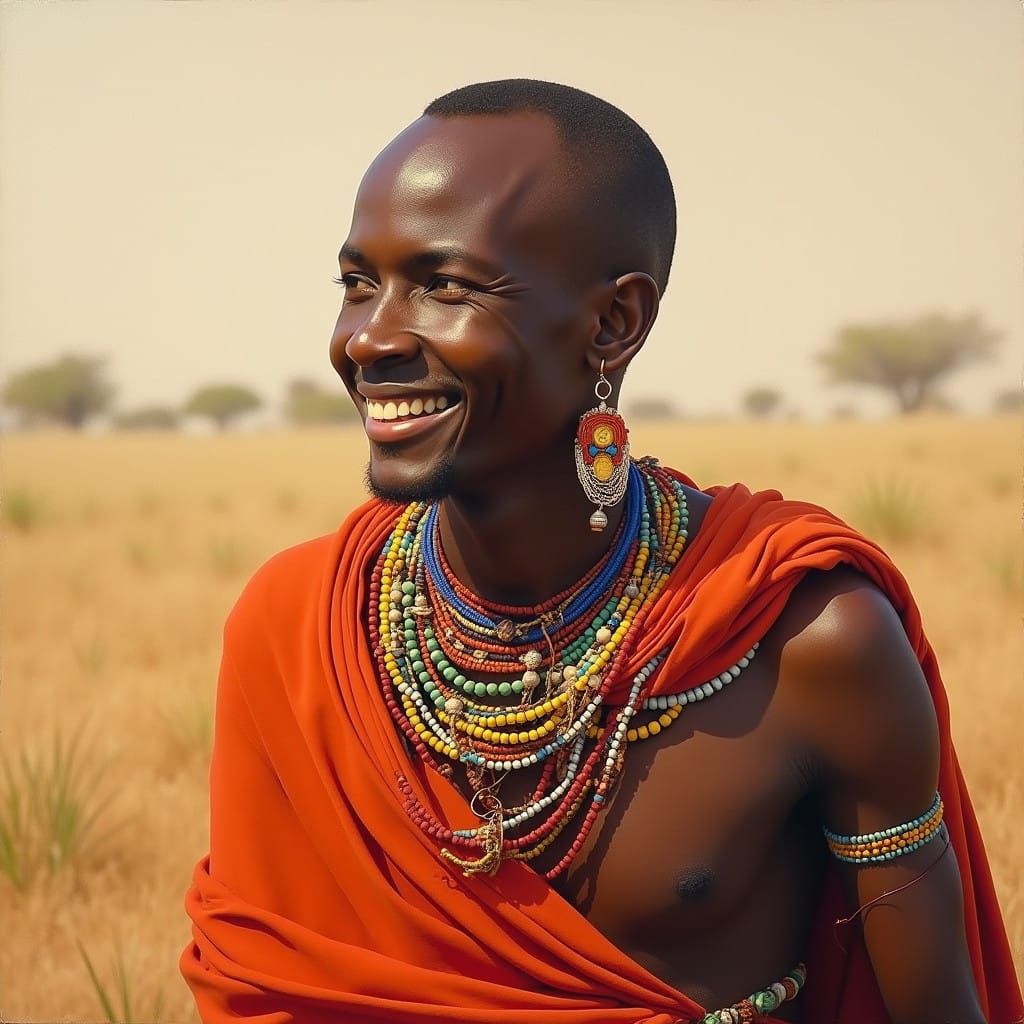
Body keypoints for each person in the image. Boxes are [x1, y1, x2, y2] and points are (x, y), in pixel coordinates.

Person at [181, 79, 1021, 1024]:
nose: (369, 337)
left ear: (615, 322)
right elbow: (266, 989)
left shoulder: (805, 641)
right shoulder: (297, 627)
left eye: (445, 285)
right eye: (357, 283)